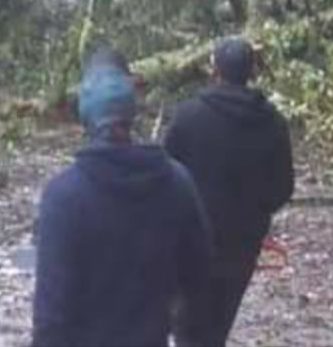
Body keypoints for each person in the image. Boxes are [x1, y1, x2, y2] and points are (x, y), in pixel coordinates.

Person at [32, 56, 212, 347]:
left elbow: (51, 317)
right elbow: (199, 276)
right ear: (132, 111)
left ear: (84, 115)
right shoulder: (178, 183)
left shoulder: (63, 197)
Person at [164, 38, 296, 347]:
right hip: (242, 244)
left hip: (190, 241)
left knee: (186, 330)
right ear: (251, 72)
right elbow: (283, 188)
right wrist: (255, 212)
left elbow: (164, 176)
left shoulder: (187, 116)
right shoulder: (273, 122)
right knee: (216, 331)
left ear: (215, 71)